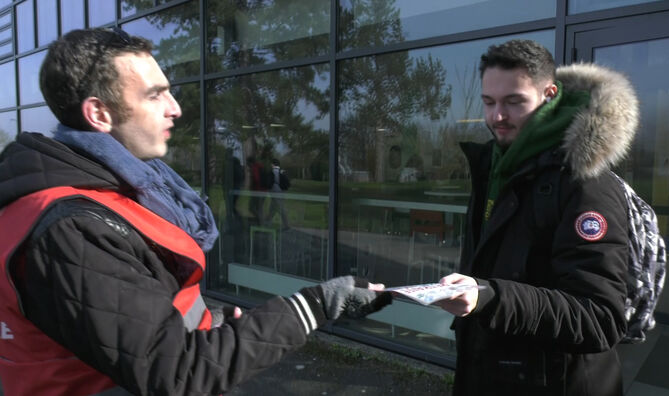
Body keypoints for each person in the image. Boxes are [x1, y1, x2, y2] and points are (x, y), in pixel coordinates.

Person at [0, 27, 390, 396]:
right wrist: (314, 306)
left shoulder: (101, 193)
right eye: (155, 95)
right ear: (99, 113)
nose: (176, 109)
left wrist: (211, 325)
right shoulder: (71, 228)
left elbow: (127, 320)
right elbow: (178, 373)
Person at [433, 39, 638, 395]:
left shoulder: (585, 183)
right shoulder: (494, 168)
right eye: (488, 102)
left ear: (550, 94)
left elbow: (601, 318)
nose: (497, 116)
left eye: (514, 102)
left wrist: (489, 297)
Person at [266, 158, 290, 229]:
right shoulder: (282, 171)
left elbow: (268, 183)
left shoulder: (272, 172)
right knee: (272, 209)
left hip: (275, 193)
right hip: (281, 193)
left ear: (273, 164)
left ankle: (286, 225)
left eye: (271, 164)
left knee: (280, 209)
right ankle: (268, 223)